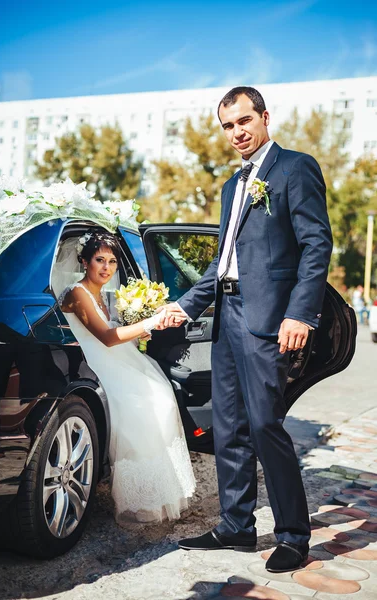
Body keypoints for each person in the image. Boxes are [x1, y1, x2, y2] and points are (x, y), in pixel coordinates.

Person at [160, 87, 333, 573]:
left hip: (269, 320)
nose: (237, 132)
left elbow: (317, 245)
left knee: (264, 425)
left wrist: (300, 314)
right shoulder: (231, 186)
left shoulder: (295, 168)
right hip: (226, 318)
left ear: (264, 117)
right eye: (228, 125)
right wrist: (184, 305)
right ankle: (236, 527)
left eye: (243, 121)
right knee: (228, 427)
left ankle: (294, 535)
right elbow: (222, 262)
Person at [59, 230, 196, 523]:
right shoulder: (76, 293)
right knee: (144, 407)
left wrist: (142, 327)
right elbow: (107, 338)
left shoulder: (103, 293)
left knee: (162, 400)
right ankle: (138, 494)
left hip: (118, 358)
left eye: (112, 261)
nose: (106, 267)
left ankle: (155, 489)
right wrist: (151, 321)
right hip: (97, 364)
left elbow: (116, 334)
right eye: (99, 260)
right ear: (84, 261)